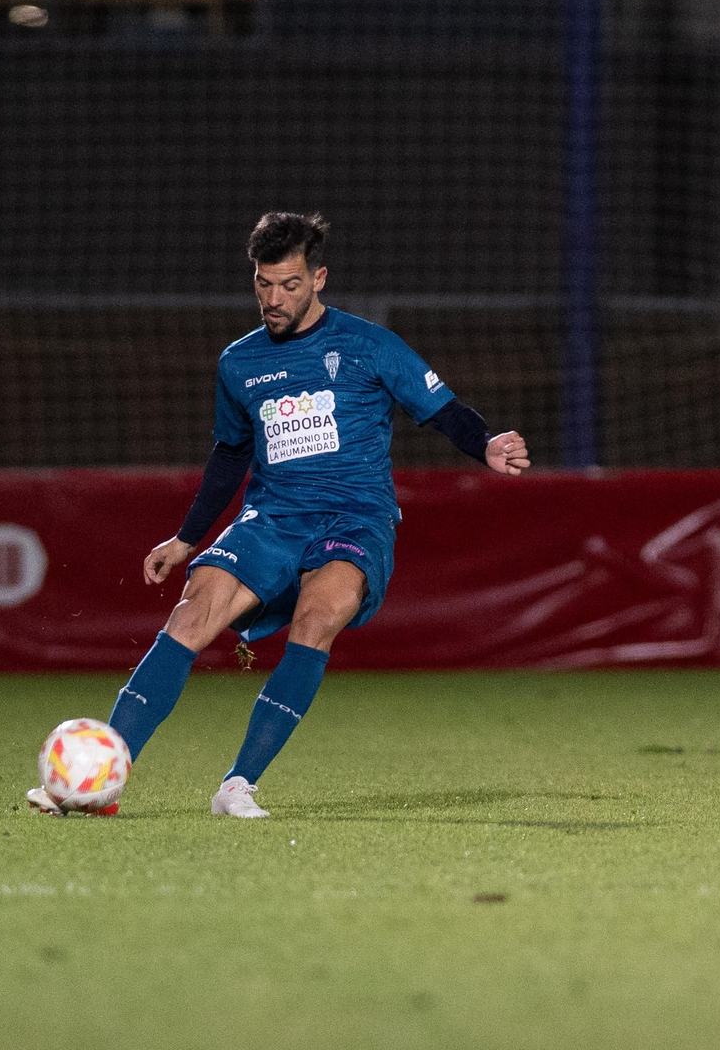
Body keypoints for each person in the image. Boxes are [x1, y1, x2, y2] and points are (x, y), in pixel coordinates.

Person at [28, 212, 530, 818]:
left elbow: (443, 409)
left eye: (289, 285)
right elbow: (230, 453)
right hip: (272, 518)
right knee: (192, 614)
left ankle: (237, 786)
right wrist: (188, 537)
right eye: (264, 284)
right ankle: (100, 778)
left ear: (319, 279)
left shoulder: (368, 345)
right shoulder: (239, 363)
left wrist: (485, 445)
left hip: (354, 519)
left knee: (316, 621)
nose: (274, 298)